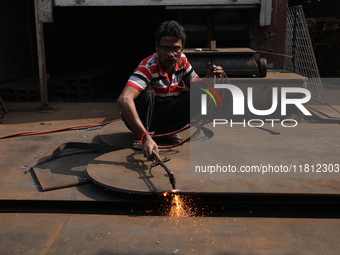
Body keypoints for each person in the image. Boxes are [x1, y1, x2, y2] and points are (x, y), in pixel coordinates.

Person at [117, 20, 224, 161]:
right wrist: (144, 136)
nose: (171, 54)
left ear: (182, 48)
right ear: (157, 47)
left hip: (164, 112)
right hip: (145, 118)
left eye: (176, 49)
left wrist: (210, 78)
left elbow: (197, 87)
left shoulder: (182, 62)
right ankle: (144, 136)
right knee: (146, 93)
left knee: (196, 98)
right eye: (165, 48)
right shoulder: (148, 67)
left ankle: (166, 133)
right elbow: (124, 99)